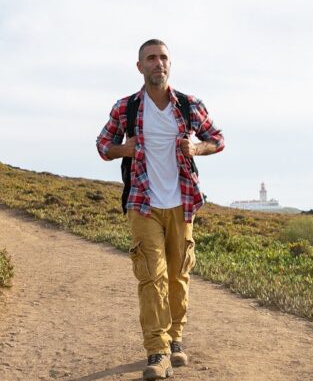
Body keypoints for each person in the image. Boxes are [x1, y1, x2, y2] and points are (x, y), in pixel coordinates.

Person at [95, 39, 225, 380]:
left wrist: (197, 149)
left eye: (163, 57)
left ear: (170, 64)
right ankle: (157, 351)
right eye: (151, 58)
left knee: (178, 276)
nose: (158, 63)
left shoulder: (188, 105)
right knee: (152, 276)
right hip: (143, 203)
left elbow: (218, 139)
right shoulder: (126, 108)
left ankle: (176, 339)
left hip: (182, 204)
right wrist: (126, 148)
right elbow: (103, 146)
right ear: (140, 67)